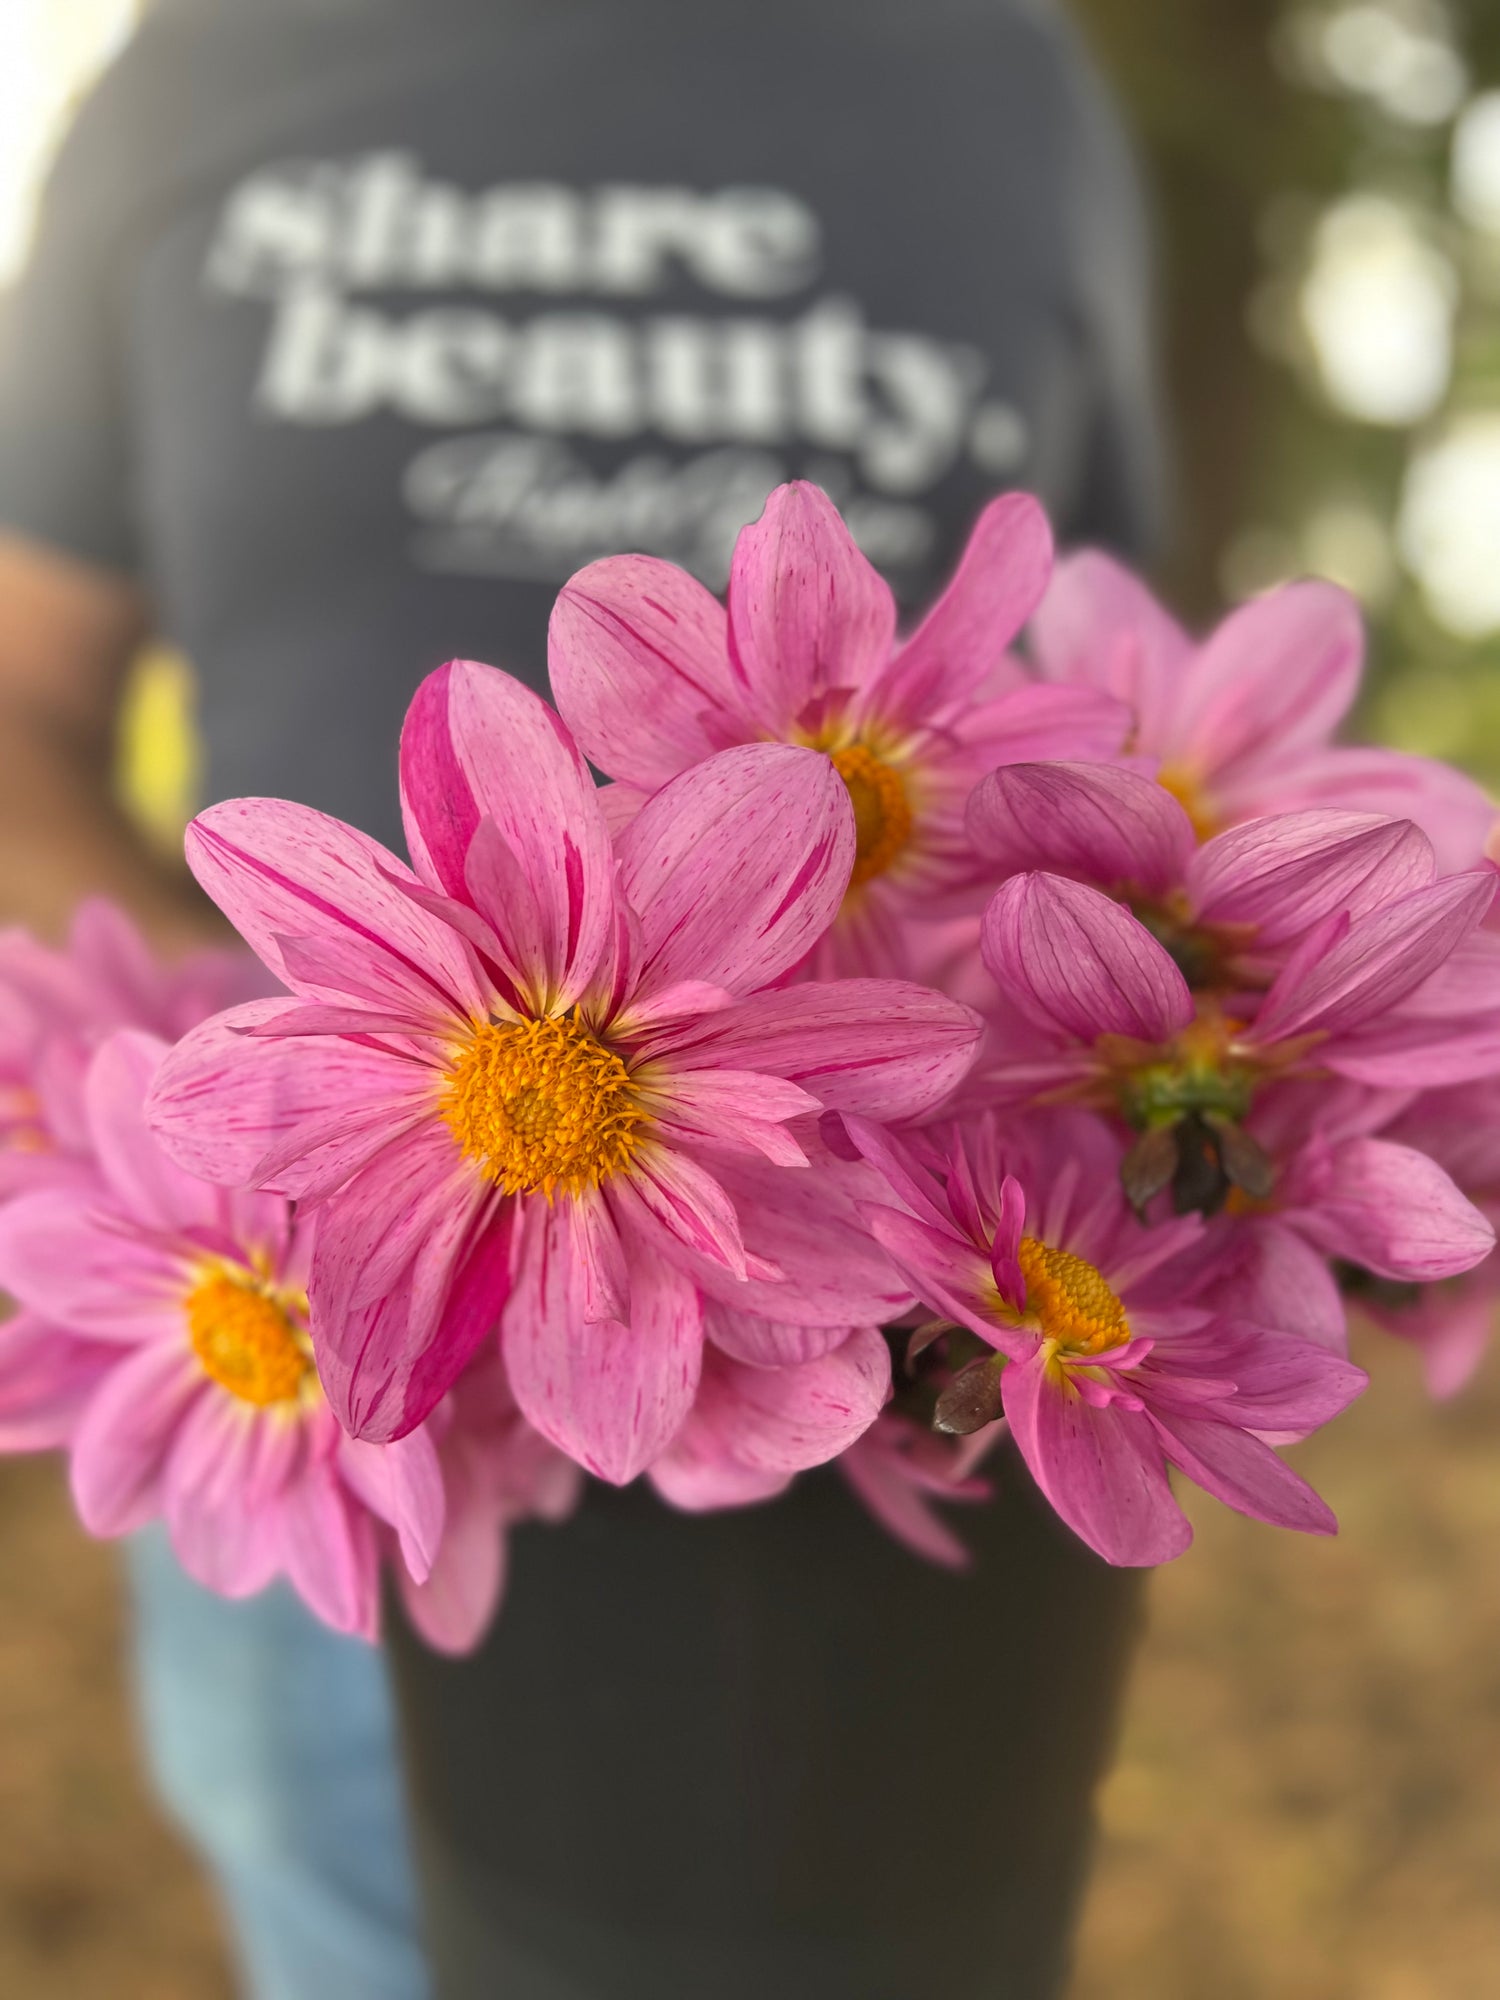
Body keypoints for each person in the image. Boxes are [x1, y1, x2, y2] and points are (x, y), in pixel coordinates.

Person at [0, 1, 1164, 1993]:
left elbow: (1108, 728)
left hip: (893, 1331)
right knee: (348, 1898)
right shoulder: (204, 65)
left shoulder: (1008, 77)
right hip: (324, 1324)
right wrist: (293, 1114)